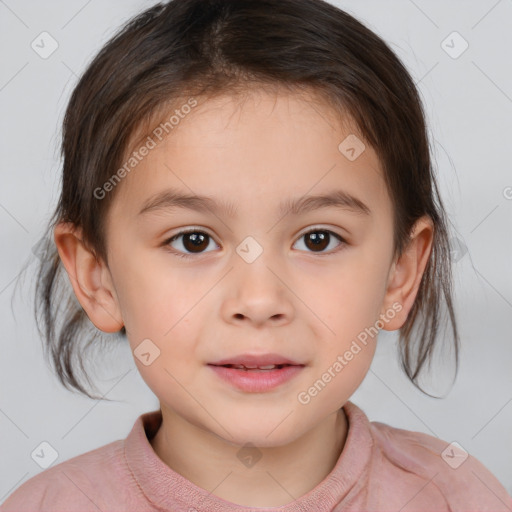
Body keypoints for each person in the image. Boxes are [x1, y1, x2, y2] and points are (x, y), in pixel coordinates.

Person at [2, 0, 511, 510]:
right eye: (193, 240)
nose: (260, 300)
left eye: (318, 239)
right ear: (98, 278)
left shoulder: (457, 495)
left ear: (401, 273)